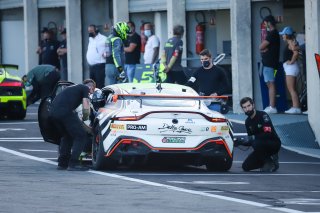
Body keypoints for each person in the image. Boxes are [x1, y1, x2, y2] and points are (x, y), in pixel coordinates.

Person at [49, 79, 96, 171]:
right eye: (93, 91)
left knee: (67, 136)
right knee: (81, 136)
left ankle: (62, 164)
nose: (91, 93)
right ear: (91, 87)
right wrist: (87, 121)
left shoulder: (73, 88)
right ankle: (73, 164)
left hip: (53, 113)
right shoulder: (85, 88)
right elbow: (86, 105)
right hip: (64, 112)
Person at [236, 97, 281, 172]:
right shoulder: (247, 122)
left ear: (253, 105)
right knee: (246, 166)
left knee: (256, 142)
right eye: (244, 107)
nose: (247, 109)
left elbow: (268, 133)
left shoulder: (263, 115)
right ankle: (270, 162)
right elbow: (250, 140)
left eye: (249, 106)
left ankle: (269, 162)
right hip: (259, 147)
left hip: (273, 143)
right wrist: (240, 142)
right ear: (242, 109)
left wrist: (254, 138)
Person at [259, 15, 280, 114]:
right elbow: (263, 47)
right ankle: (271, 106)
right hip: (269, 63)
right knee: (269, 84)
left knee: (271, 84)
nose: (264, 25)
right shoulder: (273, 33)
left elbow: (261, 46)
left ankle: (272, 106)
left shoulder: (272, 34)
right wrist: (264, 49)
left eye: (265, 23)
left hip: (269, 64)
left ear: (269, 22)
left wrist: (264, 48)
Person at [279, 26, 302, 114]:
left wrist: (291, 61)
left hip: (291, 68)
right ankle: (296, 106)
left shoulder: (292, 42)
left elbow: (296, 53)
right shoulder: (291, 42)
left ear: (287, 35)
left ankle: (296, 108)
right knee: (293, 88)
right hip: (291, 68)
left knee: (291, 88)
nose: (282, 36)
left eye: (283, 35)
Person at [104, 21, 129, 85]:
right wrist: (120, 70)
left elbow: (105, 53)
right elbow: (116, 55)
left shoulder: (109, 37)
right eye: (125, 31)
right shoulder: (116, 39)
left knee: (112, 88)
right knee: (124, 87)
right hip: (115, 67)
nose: (126, 33)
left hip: (108, 66)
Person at [86, 24, 107, 89]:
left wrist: (105, 55)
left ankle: (101, 98)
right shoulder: (90, 39)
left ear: (96, 30)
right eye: (89, 31)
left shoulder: (104, 38)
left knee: (99, 85)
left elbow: (109, 50)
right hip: (91, 66)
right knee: (92, 85)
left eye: (91, 31)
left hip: (99, 66)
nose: (90, 32)